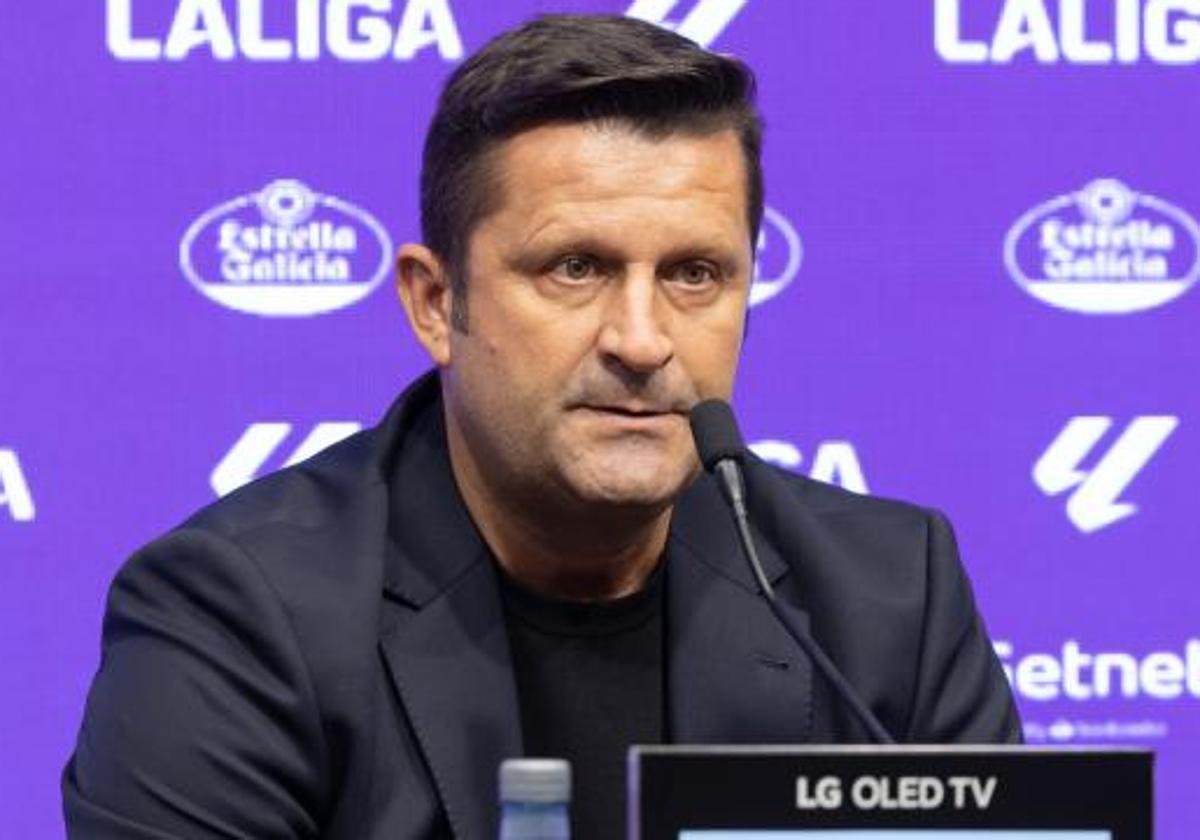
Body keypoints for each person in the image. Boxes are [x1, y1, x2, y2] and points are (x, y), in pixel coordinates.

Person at [63, 13, 1021, 840]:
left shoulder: (892, 596)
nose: (643, 340)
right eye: (574, 268)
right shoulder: (237, 612)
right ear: (436, 303)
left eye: (695, 274)